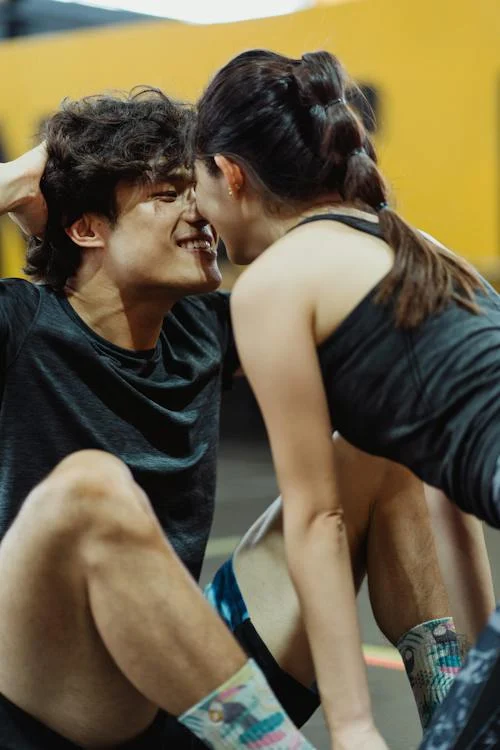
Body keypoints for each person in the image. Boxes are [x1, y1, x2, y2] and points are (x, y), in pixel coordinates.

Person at [2, 86, 490, 750]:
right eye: (166, 194)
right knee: (92, 490)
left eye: (195, 188)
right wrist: (17, 179)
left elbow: (395, 276)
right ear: (87, 228)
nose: (200, 210)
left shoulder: (209, 327)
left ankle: (462, 732)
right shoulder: (21, 323)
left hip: (185, 685)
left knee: (380, 449)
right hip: (57, 701)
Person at [191, 48, 500, 748]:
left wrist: (354, 724)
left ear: (230, 174)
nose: (199, 213)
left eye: (196, 183)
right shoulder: (416, 244)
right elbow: (446, 495)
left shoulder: (275, 286)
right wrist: (483, 669)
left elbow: (317, 517)